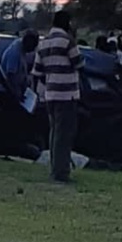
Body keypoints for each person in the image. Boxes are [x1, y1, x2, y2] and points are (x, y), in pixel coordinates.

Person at [32, 9, 84, 183]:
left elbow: (37, 71)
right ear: (67, 23)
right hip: (67, 94)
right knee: (64, 134)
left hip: (50, 94)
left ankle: (55, 169)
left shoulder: (44, 43)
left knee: (54, 132)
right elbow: (79, 64)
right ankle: (61, 173)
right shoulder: (68, 41)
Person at [1, 31, 39, 100]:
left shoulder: (22, 51)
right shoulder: (15, 52)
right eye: (33, 47)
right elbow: (11, 75)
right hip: (7, 92)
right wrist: (16, 92)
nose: (33, 50)